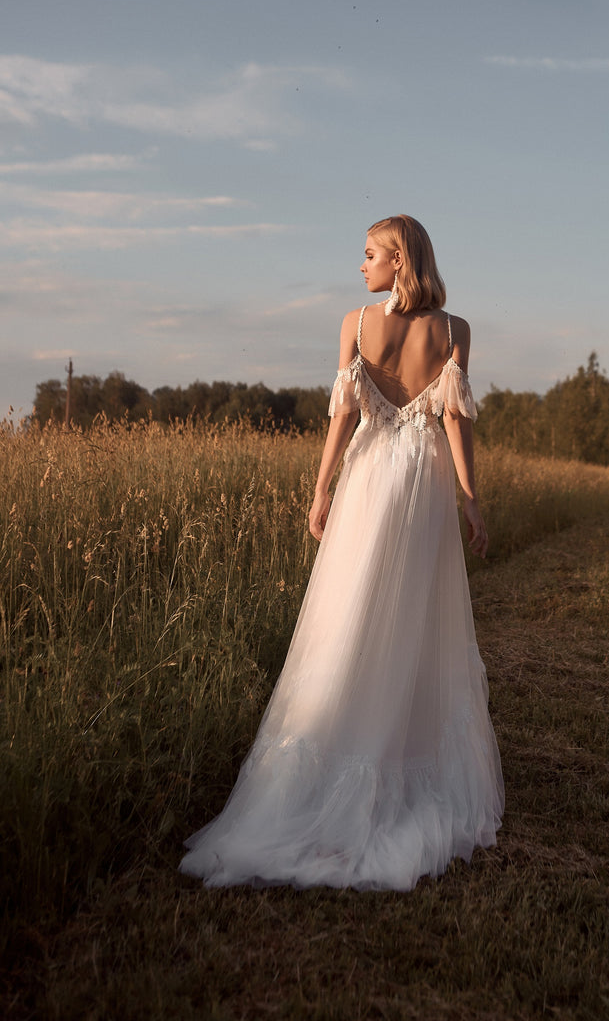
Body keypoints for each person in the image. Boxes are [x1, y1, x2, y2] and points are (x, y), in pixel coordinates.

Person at [180, 215, 504, 891]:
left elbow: (343, 418)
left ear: (399, 260)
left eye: (369, 256)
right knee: (411, 619)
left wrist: (321, 489)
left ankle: (333, 754)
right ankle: (396, 751)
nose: (361, 267)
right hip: (421, 483)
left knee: (350, 609)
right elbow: (455, 421)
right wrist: (470, 498)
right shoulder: (455, 332)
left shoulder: (355, 324)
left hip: (367, 482)